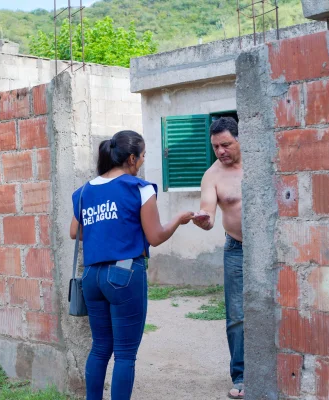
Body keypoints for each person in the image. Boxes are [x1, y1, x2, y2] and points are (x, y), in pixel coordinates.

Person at [70, 130, 194, 400]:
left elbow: (74, 232)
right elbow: (156, 236)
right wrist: (179, 220)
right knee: (125, 354)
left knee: (100, 348)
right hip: (124, 272)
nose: (142, 162)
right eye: (143, 156)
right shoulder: (139, 188)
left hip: (91, 276)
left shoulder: (84, 192)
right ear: (131, 158)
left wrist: (104, 225)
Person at [192, 117, 244, 399]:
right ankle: (241, 376)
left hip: (273, 250)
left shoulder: (260, 159)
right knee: (237, 315)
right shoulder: (212, 175)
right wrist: (204, 220)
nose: (221, 151)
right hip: (236, 248)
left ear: (240, 138)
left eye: (226, 144)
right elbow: (208, 213)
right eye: (216, 147)